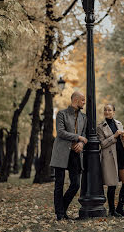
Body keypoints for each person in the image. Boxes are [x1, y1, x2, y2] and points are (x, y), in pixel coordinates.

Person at [50, 91, 87, 221]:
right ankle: (60, 214)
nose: (84, 102)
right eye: (82, 100)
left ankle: (62, 209)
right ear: (76, 100)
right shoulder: (62, 114)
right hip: (61, 152)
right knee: (59, 184)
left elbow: (84, 134)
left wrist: (81, 143)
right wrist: (78, 137)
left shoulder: (84, 117)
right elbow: (60, 132)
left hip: (76, 154)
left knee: (76, 184)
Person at [97, 104, 124, 217]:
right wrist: (115, 136)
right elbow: (102, 144)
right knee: (112, 185)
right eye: (105, 110)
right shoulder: (100, 127)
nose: (107, 112)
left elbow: (123, 140)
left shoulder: (119, 124)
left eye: (109, 110)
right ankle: (112, 211)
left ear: (114, 112)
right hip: (110, 158)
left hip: (121, 156)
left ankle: (120, 208)